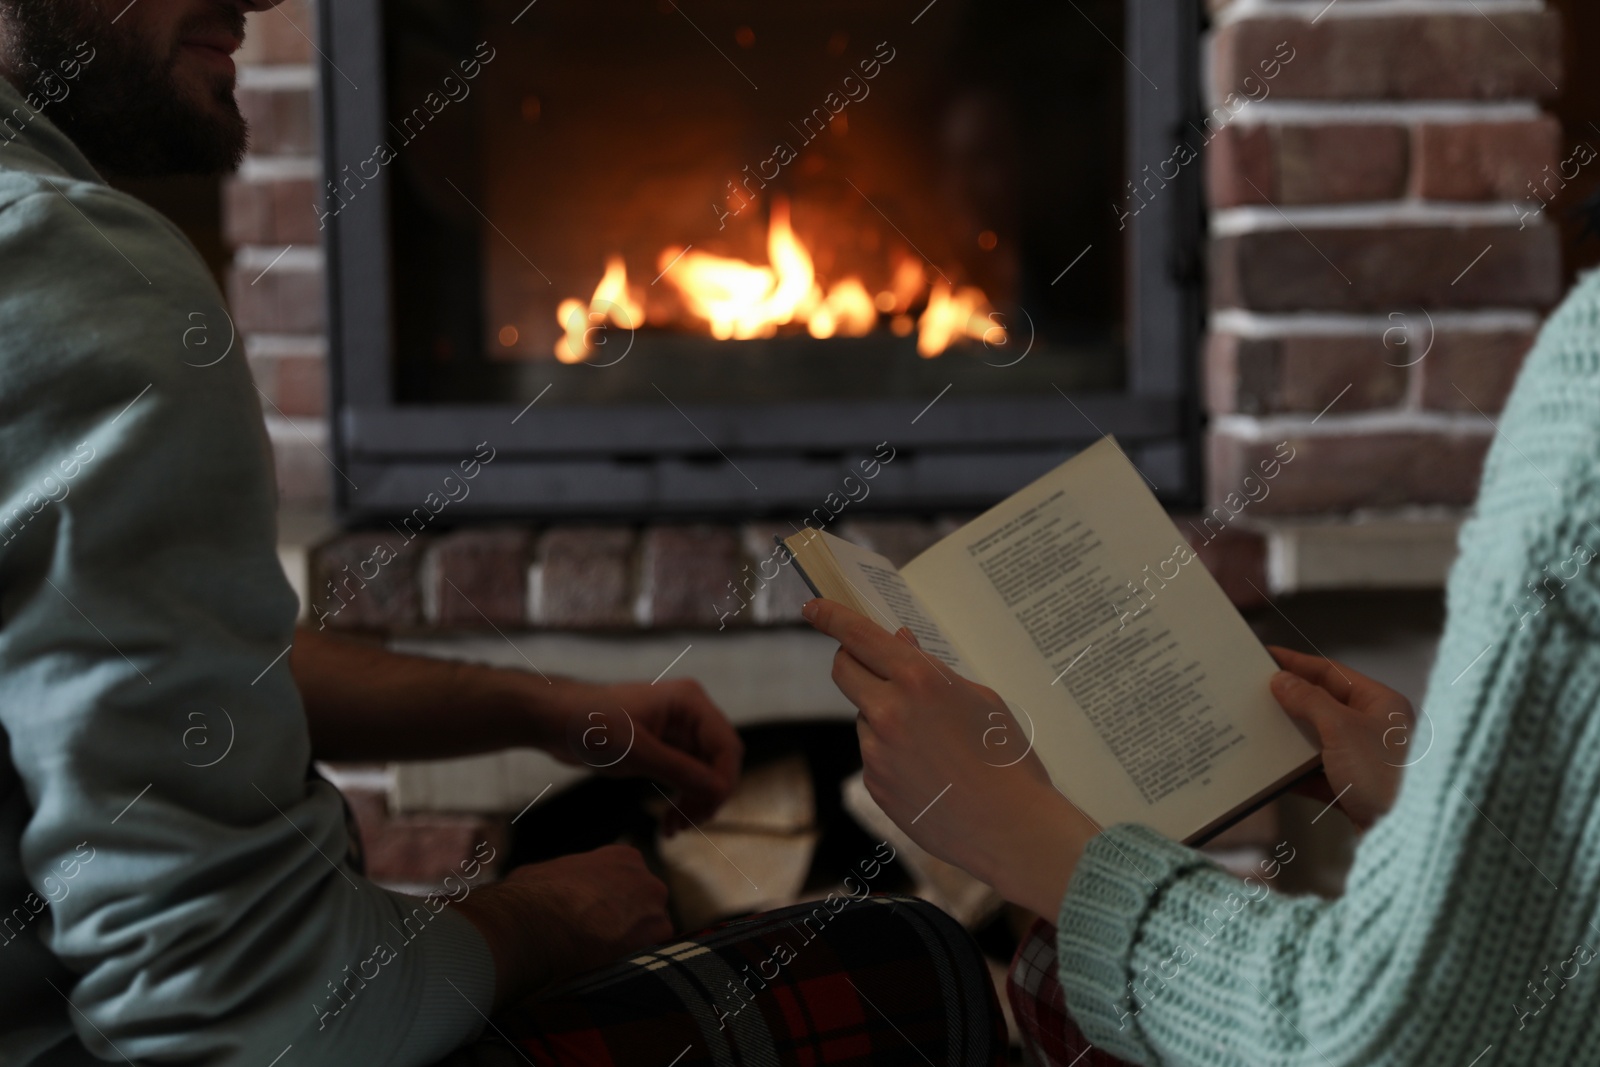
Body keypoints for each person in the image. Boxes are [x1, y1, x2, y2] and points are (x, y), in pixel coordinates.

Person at [0, 2, 1006, 1064]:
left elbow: (147, 659)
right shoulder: (75, 264)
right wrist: (541, 919)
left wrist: (533, 705)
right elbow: (235, 1015)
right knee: (904, 959)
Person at [805, 265, 1600, 1064]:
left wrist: (1030, 838)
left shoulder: (1583, 397)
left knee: (1031, 976)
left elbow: (1389, 1034)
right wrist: (1423, 805)